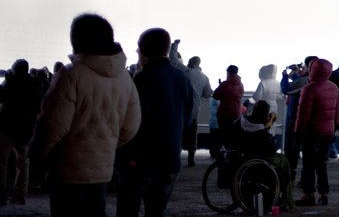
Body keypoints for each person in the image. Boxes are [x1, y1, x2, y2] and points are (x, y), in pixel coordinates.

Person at [28, 13, 142, 217]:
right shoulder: (125, 77)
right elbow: (131, 126)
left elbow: (52, 127)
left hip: (67, 171)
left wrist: (36, 157)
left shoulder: (71, 74)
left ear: (77, 39)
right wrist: (103, 144)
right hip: (103, 171)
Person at [116, 27, 194, 217]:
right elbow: (189, 117)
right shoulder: (182, 78)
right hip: (170, 160)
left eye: (138, 49)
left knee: (127, 211)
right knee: (157, 211)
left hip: (142, 161)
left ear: (144, 51)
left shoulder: (143, 78)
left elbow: (133, 120)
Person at [293, 57, 339, 206]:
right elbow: (337, 112)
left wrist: (298, 131)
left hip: (312, 132)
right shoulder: (334, 87)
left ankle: (309, 194)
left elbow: (303, 114)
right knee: (322, 163)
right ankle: (324, 192)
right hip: (328, 131)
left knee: (308, 164)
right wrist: (335, 127)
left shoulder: (309, 88)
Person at [234, 99, 294, 210]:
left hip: (242, 159)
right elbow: (271, 149)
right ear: (264, 115)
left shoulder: (240, 122)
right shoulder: (262, 132)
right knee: (283, 162)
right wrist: (268, 129)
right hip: (259, 164)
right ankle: (284, 197)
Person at [0, 58, 44, 205]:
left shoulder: (9, 83)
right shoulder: (35, 85)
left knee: (2, 161)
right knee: (23, 162)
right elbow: (37, 107)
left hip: (6, 127)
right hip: (25, 130)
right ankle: (20, 193)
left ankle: (1, 193)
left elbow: (3, 99)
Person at [183, 56, 213, 167]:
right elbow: (207, 94)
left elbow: (174, 61)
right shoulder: (204, 77)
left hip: (181, 109)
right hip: (194, 110)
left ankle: (174, 156)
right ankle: (191, 159)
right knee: (192, 135)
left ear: (190, 63)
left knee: (178, 133)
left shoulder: (186, 72)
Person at [213, 65, 245, 130]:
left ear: (228, 73)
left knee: (224, 134)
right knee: (232, 134)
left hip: (224, 113)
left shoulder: (224, 84)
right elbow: (240, 95)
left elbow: (215, 96)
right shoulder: (241, 85)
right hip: (236, 113)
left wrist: (220, 86)